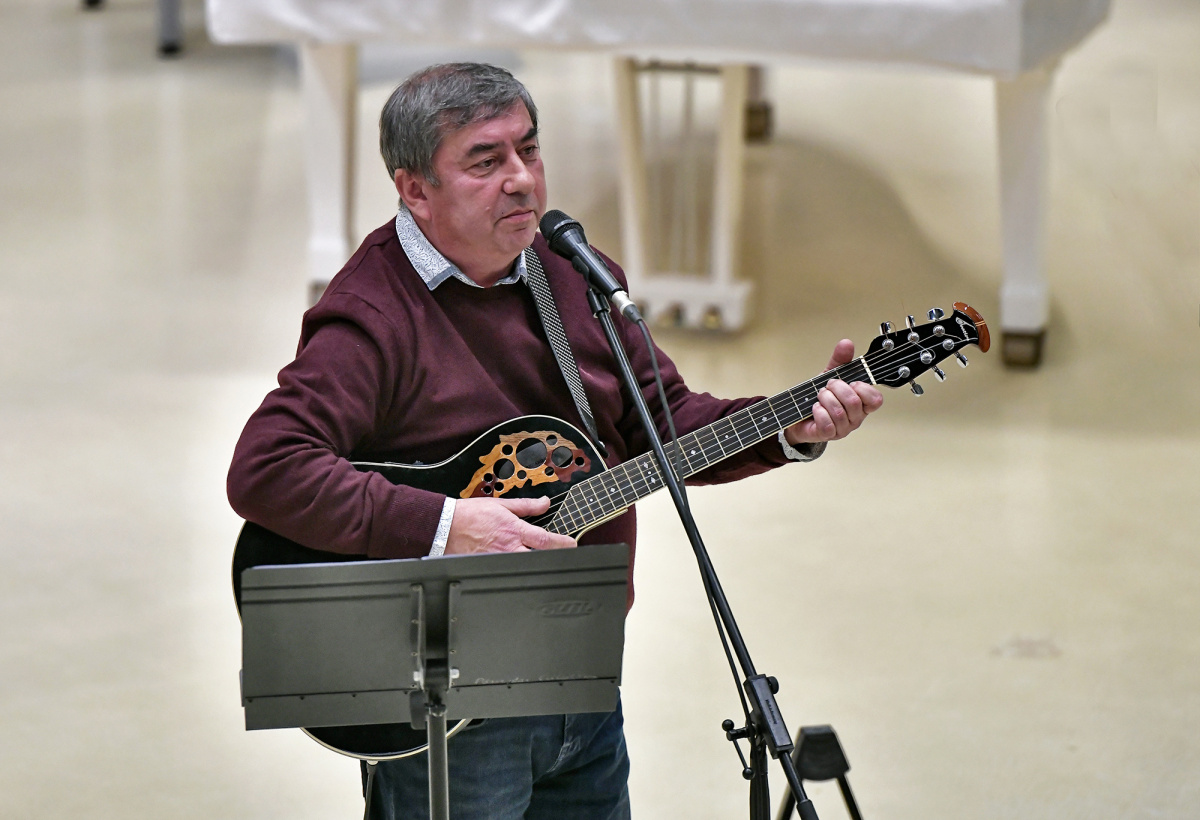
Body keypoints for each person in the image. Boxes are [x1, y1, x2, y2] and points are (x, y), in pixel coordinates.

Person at [228, 62, 882, 820]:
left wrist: (787, 426)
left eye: (529, 150)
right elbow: (267, 467)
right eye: (485, 161)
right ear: (415, 190)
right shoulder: (375, 313)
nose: (521, 179)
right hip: (448, 706)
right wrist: (447, 525)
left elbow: (662, 419)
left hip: (579, 664)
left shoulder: (572, 276)